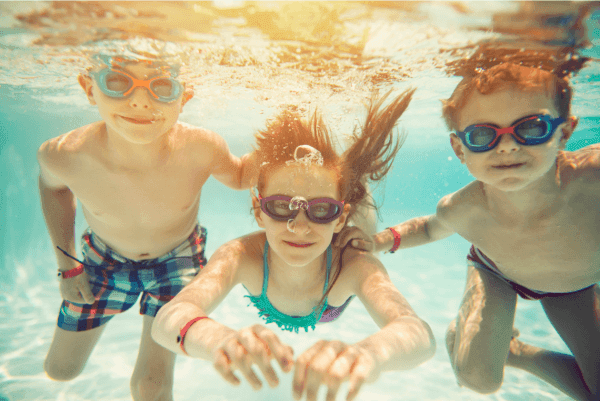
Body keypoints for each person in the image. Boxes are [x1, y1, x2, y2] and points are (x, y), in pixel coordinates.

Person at [151, 89, 436, 401]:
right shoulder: (241, 256)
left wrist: (370, 355)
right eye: (281, 206)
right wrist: (218, 340)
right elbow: (167, 319)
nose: (300, 227)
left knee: (362, 224)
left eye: (322, 210)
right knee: (337, 192)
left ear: (338, 219)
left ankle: (350, 195)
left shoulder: (352, 265)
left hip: (333, 284)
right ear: (259, 210)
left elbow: (419, 333)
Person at [350, 63, 600, 400]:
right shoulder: (464, 208)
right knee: (479, 380)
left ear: (564, 132)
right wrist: (376, 243)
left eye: (531, 127)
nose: (508, 146)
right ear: (459, 149)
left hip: (572, 287)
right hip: (496, 271)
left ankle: (514, 352)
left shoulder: (592, 177)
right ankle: (483, 345)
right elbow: (427, 228)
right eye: (483, 135)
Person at [37, 53, 258, 401]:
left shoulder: (202, 147)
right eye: (117, 81)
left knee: (151, 387)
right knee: (61, 370)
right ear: (88, 88)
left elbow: (243, 174)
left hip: (178, 260)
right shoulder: (64, 154)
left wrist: (282, 140)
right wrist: (67, 265)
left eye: (163, 86)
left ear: (183, 98)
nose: (140, 100)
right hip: (104, 261)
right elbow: (53, 188)